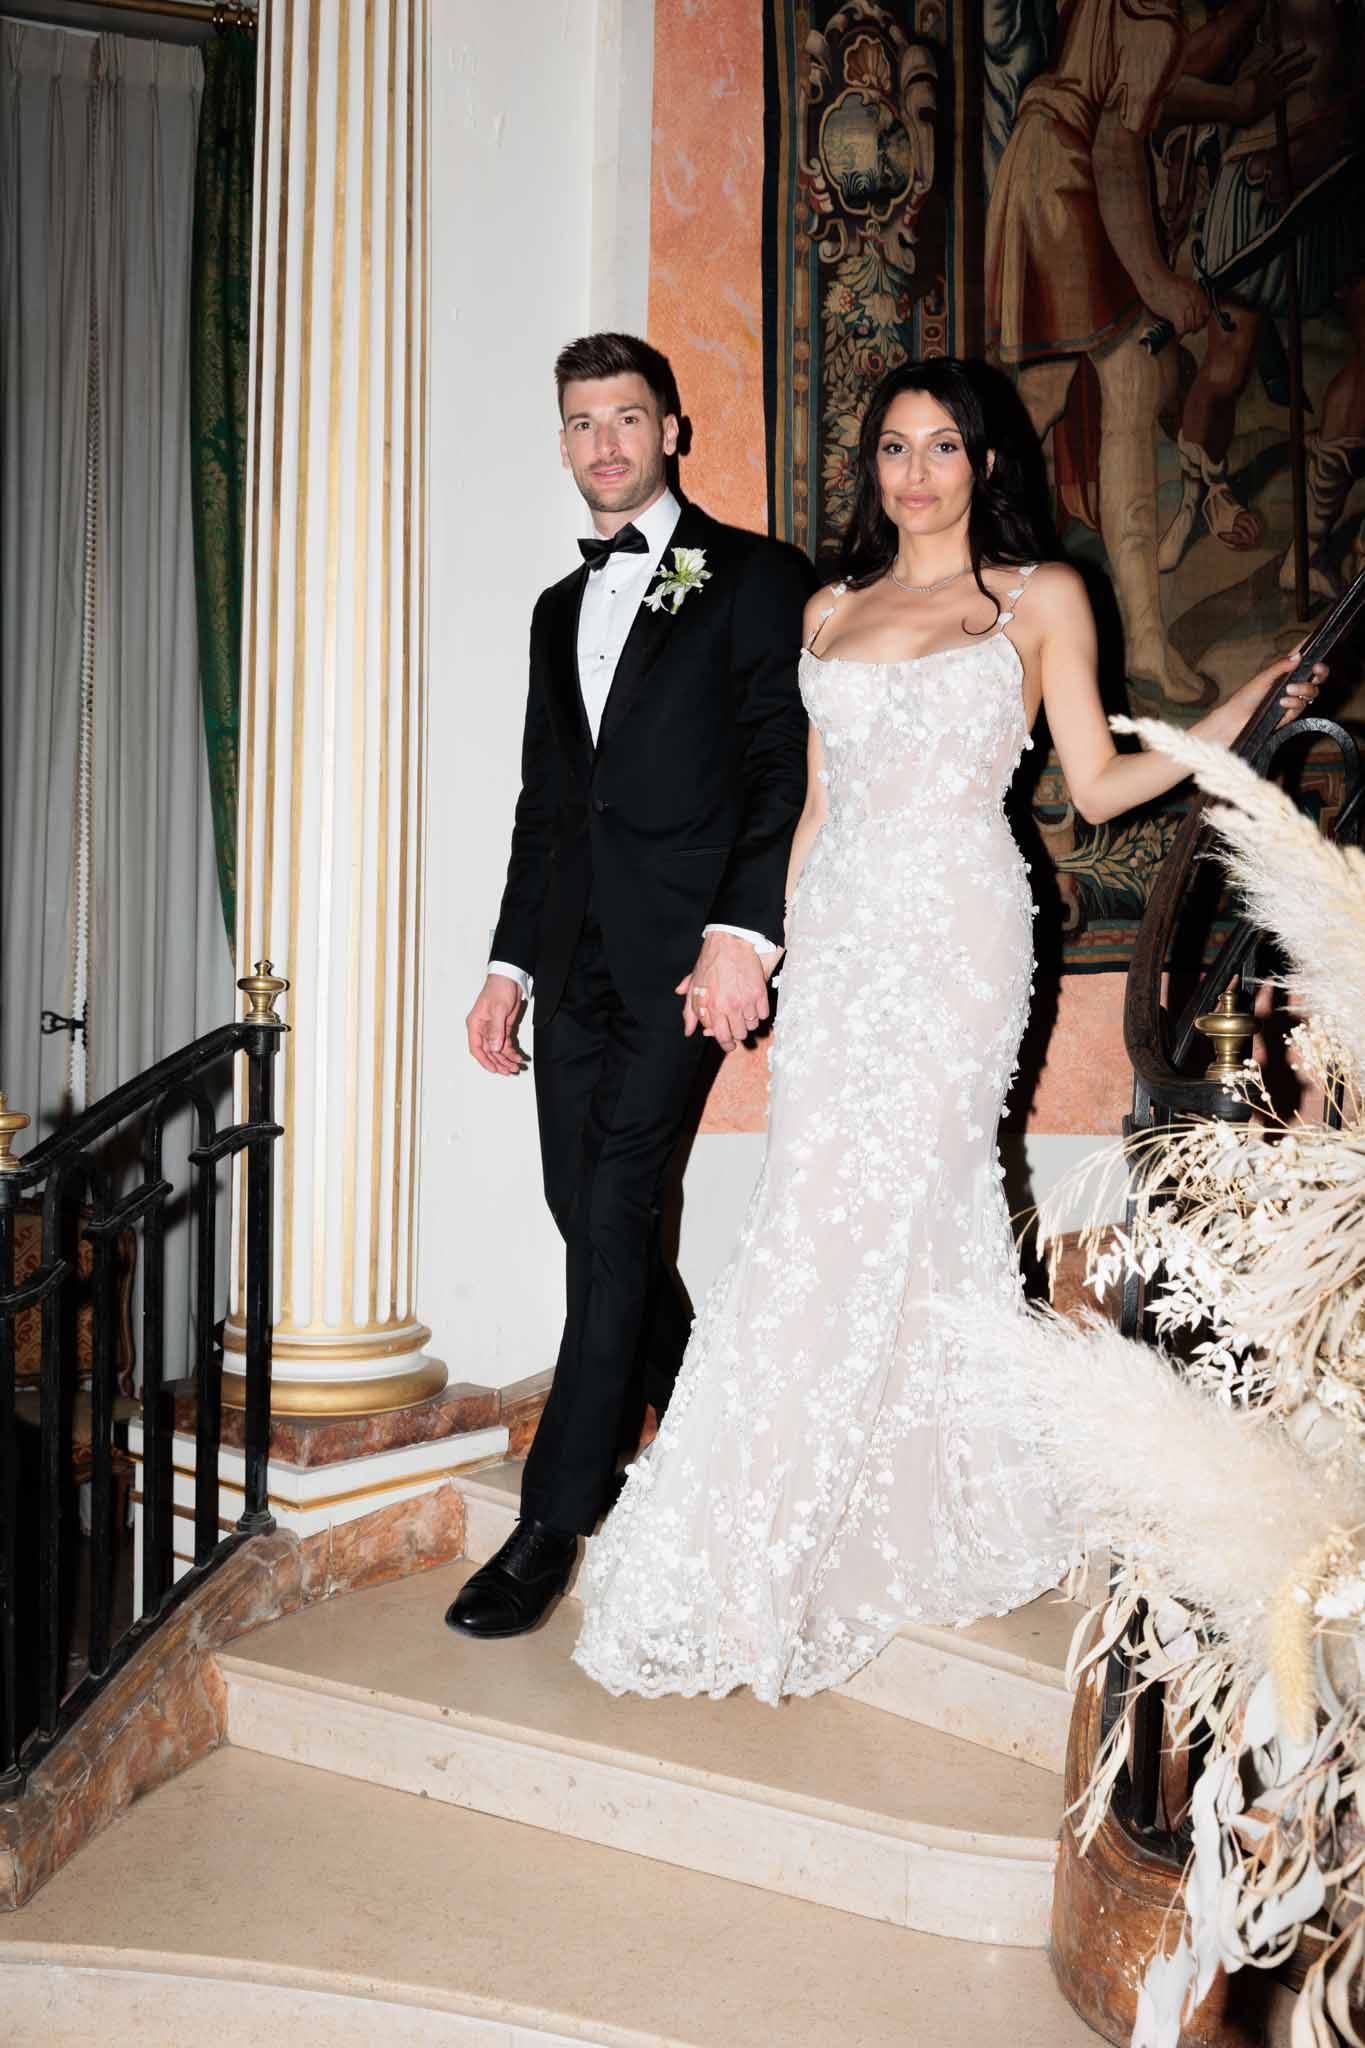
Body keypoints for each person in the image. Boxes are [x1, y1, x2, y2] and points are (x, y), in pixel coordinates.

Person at [573, 356, 1324, 1705]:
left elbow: (1096, 785)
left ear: (984, 465)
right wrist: (754, 947)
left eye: (941, 448)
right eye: (894, 449)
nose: (914, 473)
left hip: (963, 935)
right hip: (846, 936)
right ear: (873, 468)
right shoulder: (825, 609)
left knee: (924, 1194)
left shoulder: (1037, 599)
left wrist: (1230, 722)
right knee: (810, 1205)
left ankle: (919, 1500)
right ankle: (793, 1498)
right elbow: (807, 809)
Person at [446, 333, 812, 1641]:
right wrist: (505, 965)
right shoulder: (557, 608)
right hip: (573, 954)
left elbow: (781, 766)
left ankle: (553, 1522)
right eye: (580, 422)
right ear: (562, 442)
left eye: (626, 417)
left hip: (683, 958)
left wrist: (741, 932)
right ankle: (711, 1407)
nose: (603, 442)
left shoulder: (749, 576)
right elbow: (548, 801)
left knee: (611, 1208)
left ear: (672, 432)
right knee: (579, 1205)